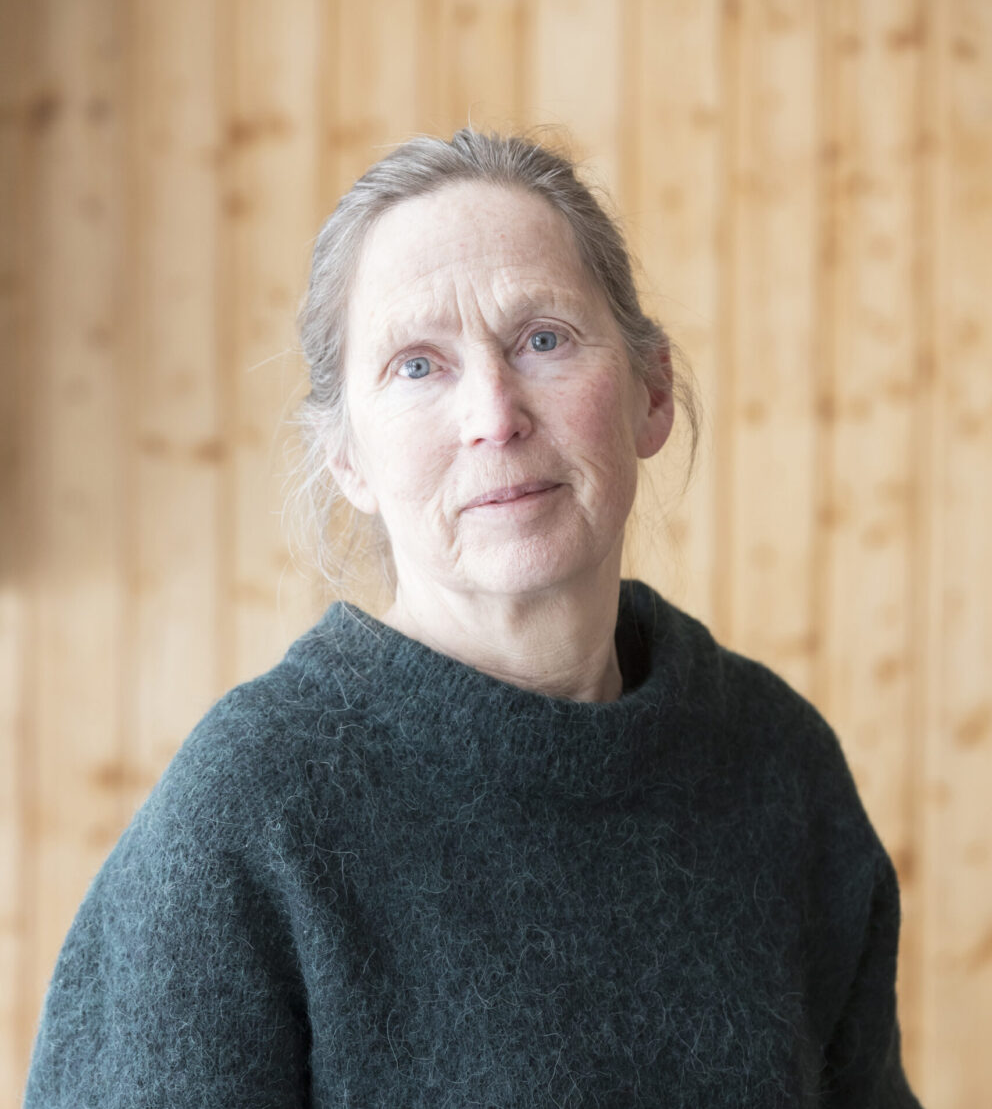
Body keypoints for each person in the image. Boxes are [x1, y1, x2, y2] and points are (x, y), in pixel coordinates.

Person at [24, 129, 922, 1107]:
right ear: (348, 460)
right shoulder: (251, 810)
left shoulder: (777, 762)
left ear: (652, 392)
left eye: (543, 339)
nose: (494, 415)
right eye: (417, 366)